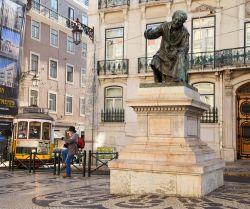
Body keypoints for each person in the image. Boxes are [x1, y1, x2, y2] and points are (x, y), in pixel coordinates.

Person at [144, 10, 189, 83]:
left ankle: (178, 79)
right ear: (172, 18)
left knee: (180, 56)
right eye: (175, 19)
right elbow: (154, 34)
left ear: (182, 22)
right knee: (155, 60)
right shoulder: (164, 26)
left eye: (179, 21)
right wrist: (148, 33)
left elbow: (185, 47)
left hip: (176, 54)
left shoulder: (185, 32)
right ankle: (158, 82)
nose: (176, 22)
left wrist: (177, 51)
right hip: (163, 53)